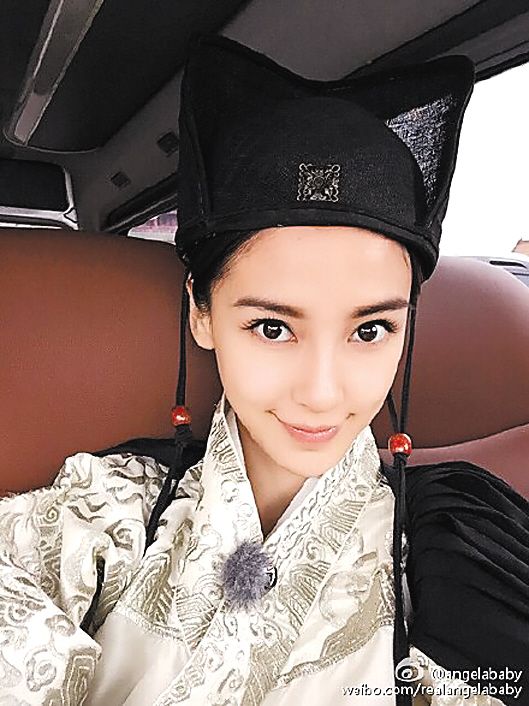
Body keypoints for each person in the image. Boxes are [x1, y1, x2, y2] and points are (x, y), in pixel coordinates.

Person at [1, 34, 528, 706]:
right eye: (272, 328)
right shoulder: (107, 509)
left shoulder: (461, 544)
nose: (322, 393)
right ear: (202, 315)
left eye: (370, 330)